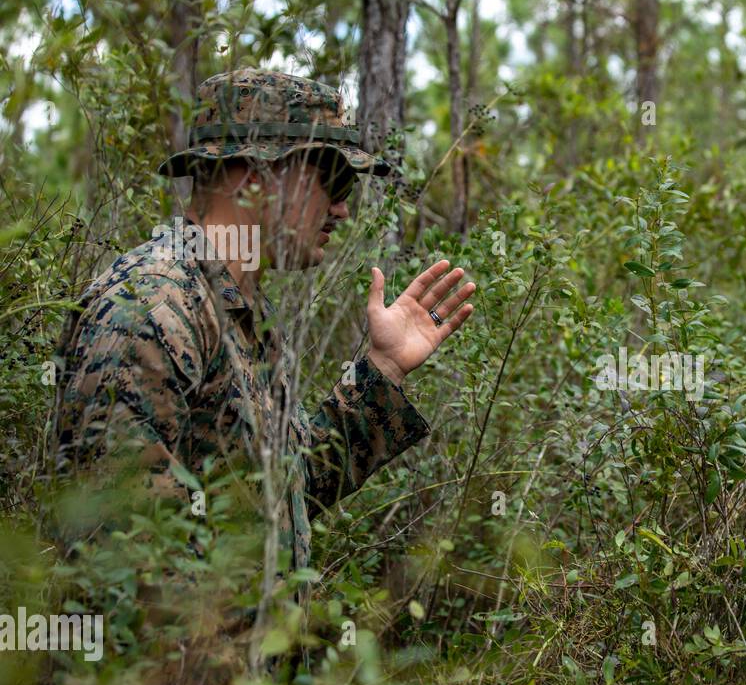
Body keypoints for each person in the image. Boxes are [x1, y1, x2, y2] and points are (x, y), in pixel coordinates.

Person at [52, 68, 475, 572]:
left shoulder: (241, 310)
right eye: (332, 180)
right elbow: (119, 559)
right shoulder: (155, 304)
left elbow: (283, 491)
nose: (342, 209)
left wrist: (381, 370)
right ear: (255, 176)